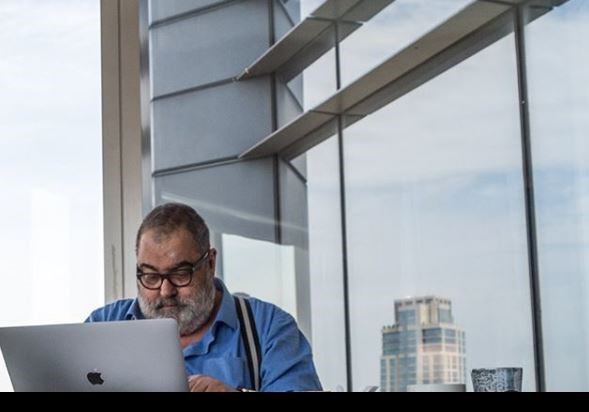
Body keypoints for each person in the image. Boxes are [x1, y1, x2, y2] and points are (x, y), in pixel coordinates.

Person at [86, 202, 322, 392]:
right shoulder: (102, 326)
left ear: (210, 263)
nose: (166, 291)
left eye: (180, 274)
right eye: (150, 276)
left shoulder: (269, 328)